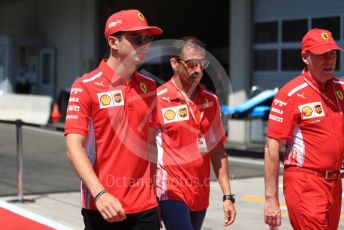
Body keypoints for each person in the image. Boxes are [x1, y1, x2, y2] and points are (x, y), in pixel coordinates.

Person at [64, 9, 163, 229]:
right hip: (103, 206)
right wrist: (99, 193)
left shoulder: (149, 86)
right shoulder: (85, 86)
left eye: (148, 38)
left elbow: (150, 143)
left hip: (145, 207)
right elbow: (73, 147)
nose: (145, 44)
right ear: (113, 42)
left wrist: (155, 193)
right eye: (138, 38)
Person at [264, 28, 344, 230]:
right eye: (321, 55)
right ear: (305, 57)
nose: (329, 60)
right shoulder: (290, 94)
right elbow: (272, 148)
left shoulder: (341, 88)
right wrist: (271, 200)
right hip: (305, 183)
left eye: (332, 54)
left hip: (334, 183)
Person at [154, 36, 236, 229]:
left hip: (200, 192)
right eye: (191, 64)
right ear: (174, 63)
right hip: (169, 189)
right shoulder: (157, 99)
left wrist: (227, 196)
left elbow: (218, 151)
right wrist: (149, 198)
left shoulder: (211, 101)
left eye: (202, 63)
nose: (198, 70)